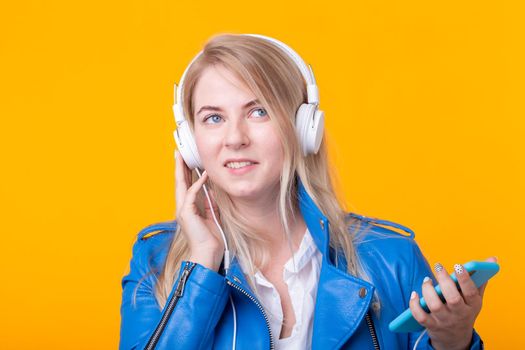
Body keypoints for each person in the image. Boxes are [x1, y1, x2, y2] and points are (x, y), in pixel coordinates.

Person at [119, 33, 495, 350]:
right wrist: (201, 265)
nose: (235, 138)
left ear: (303, 127)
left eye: (259, 111)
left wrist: (453, 339)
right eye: (213, 118)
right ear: (189, 141)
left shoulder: (391, 257)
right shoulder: (156, 262)